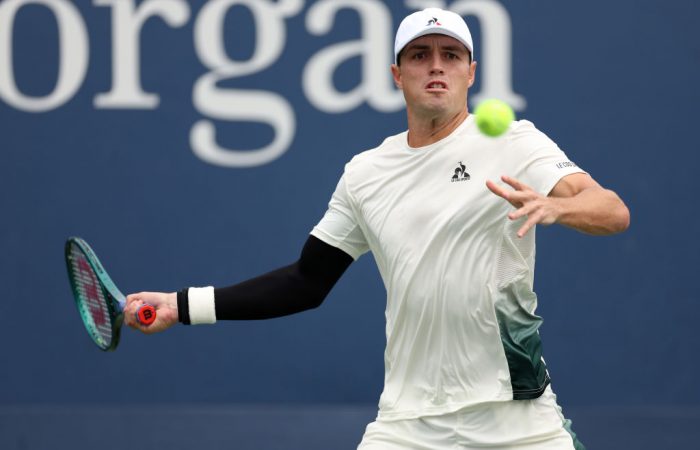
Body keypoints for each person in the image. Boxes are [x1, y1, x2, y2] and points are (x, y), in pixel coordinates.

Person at [124, 8, 629, 450]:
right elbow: (307, 281)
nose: (436, 65)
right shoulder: (365, 174)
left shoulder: (517, 142)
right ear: (396, 73)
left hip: (516, 418)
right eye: (420, 54)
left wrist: (558, 208)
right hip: (408, 423)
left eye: (451, 55)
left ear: (470, 72)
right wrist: (181, 304)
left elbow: (611, 210)